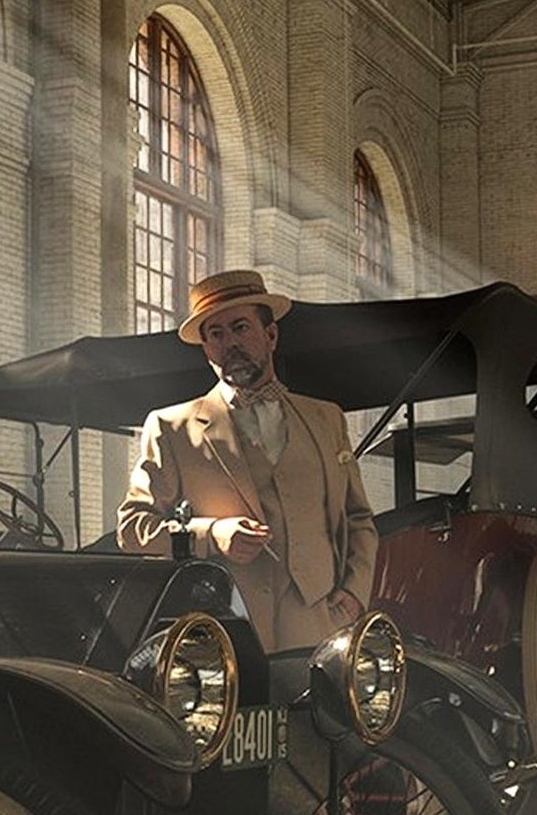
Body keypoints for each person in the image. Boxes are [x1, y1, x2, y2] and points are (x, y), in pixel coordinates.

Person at [117, 269, 377, 652]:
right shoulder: (171, 428)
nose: (230, 343)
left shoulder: (326, 419)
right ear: (206, 350)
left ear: (271, 336)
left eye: (240, 328)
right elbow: (133, 529)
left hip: (322, 629)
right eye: (216, 334)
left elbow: (359, 519)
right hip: (224, 632)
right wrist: (212, 535)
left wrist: (354, 594)